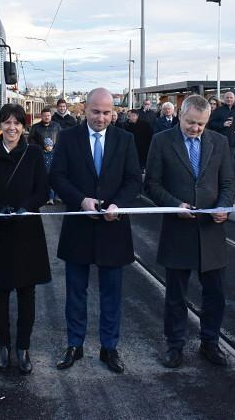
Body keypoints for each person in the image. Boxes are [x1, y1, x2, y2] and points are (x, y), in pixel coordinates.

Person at [50, 88, 142, 374]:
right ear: (85, 110)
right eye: (95, 112)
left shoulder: (125, 139)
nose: (101, 118)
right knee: (76, 291)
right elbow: (57, 176)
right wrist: (81, 200)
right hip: (79, 224)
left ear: (113, 112)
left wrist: (118, 204)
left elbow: (133, 180)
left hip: (113, 228)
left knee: (111, 293)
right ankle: (74, 344)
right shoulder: (68, 138)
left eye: (106, 113)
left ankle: (109, 347)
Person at [145, 95, 235, 368]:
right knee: (175, 295)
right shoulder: (161, 141)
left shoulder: (219, 142)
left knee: (215, 294)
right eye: (191, 123)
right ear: (180, 116)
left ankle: (211, 342)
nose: (196, 128)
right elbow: (151, 183)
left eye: (201, 124)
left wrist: (223, 207)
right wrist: (174, 205)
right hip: (178, 229)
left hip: (211, 230)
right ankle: (175, 345)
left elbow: (229, 183)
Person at [0, 104, 51, 373]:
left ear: (23, 126)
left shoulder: (34, 154)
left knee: (27, 292)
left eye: (17, 123)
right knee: (0, 292)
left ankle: (23, 347)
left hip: (27, 230)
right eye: (7, 122)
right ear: (0, 125)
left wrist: (24, 207)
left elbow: (43, 191)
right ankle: (3, 346)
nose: (12, 128)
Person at [28, 107, 61, 204]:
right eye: (45, 116)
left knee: (55, 175)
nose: (47, 117)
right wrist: (39, 148)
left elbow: (62, 138)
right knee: (43, 177)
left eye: (48, 115)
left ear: (51, 116)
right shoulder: (35, 127)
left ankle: (56, 196)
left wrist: (56, 149)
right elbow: (30, 140)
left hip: (55, 154)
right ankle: (45, 196)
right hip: (41, 155)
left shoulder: (57, 126)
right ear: (41, 117)